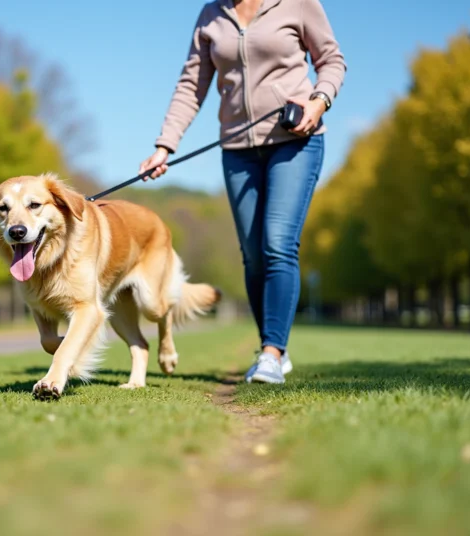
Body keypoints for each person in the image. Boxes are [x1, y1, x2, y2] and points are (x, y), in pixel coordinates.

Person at [140, 0, 346, 384]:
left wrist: (319, 102)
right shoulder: (211, 15)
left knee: (278, 243)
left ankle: (271, 353)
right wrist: (165, 146)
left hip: (295, 141)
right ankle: (274, 346)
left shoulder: (297, 3)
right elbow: (191, 85)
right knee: (253, 256)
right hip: (238, 150)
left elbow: (332, 61)